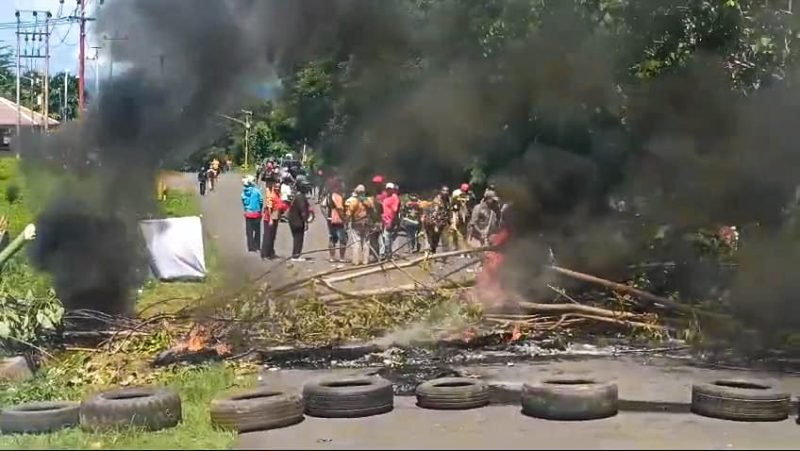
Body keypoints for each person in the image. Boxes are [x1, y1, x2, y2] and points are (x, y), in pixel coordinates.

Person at [345, 184, 372, 266]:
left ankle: (356, 261)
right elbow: (372, 209)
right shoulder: (368, 200)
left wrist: (346, 222)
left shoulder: (354, 201)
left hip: (356, 223)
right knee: (366, 242)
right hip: (367, 223)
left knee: (356, 242)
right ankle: (365, 261)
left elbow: (349, 213)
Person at [261, 181, 288, 260]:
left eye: (278, 187)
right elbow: (269, 207)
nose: (277, 188)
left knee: (272, 236)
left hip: (276, 216)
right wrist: (270, 220)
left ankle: (271, 252)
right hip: (270, 217)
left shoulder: (278, 194)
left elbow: (280, 205)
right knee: (267, 236)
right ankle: (265, 254)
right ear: (273, 186)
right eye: (276, 186)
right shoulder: (271, 195)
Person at [287, 178, 311, 261]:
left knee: (297, 238)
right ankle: (296, 255)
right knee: (298, 238)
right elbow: (303, 211)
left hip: (293, 220)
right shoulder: (300, 197)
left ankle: (296, 254)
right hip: (297, 221)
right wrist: (306, 222)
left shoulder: (298, 196)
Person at [422, 186, 451, 254]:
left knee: (436, 239)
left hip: (441, 222)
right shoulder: (437, 200)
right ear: (441, 192)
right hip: (432, 222)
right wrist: (435, 225)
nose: (446, 192)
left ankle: (433, 251)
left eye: (447, 191)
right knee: (431, 238)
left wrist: (449, 221)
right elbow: (434, 213)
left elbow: (447, 211)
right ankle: (430, 252)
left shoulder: (447, 200)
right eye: (444, 191)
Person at [325, 180, 348, 262]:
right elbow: (340, 210)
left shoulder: (329, 196)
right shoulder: (338, 197)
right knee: (343, 239)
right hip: (338, 220)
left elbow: (322, 206)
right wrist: (345, 219)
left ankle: (332, 257)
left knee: (332, 238)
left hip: (330, 219)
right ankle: (342, 258)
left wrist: (327, 216)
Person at [241, 175, 263, 253]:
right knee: (257, 231)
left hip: (248, 213)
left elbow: (244, 202)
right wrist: (260, 209)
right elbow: (261, 201)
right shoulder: (256, 191)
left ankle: (250, 247)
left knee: (249, 231)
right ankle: (257, 246)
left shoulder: (244, 192)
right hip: (256, 213)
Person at [449, 183, 472, 251]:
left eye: (466, 190)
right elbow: (452, 203)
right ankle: (454, 245)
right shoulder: (456, 193)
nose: (465, 191)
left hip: (465, 212)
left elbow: (471, 203)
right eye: (464, 190)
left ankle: (465, 247)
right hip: (456, 211)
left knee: (466, 231)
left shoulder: (469, 194)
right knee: (454, 229)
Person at [380, 182, 401, 260]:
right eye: (387, 189)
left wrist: (392, 222)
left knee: (391, 238)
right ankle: (388, 253)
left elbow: (395, 211)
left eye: (390, 189)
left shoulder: (394, 197)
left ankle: (393, 254)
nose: (388, 190)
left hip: (391, 221)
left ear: (393, 190)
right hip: (386, 221)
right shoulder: (386, 198)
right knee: (387, 238)